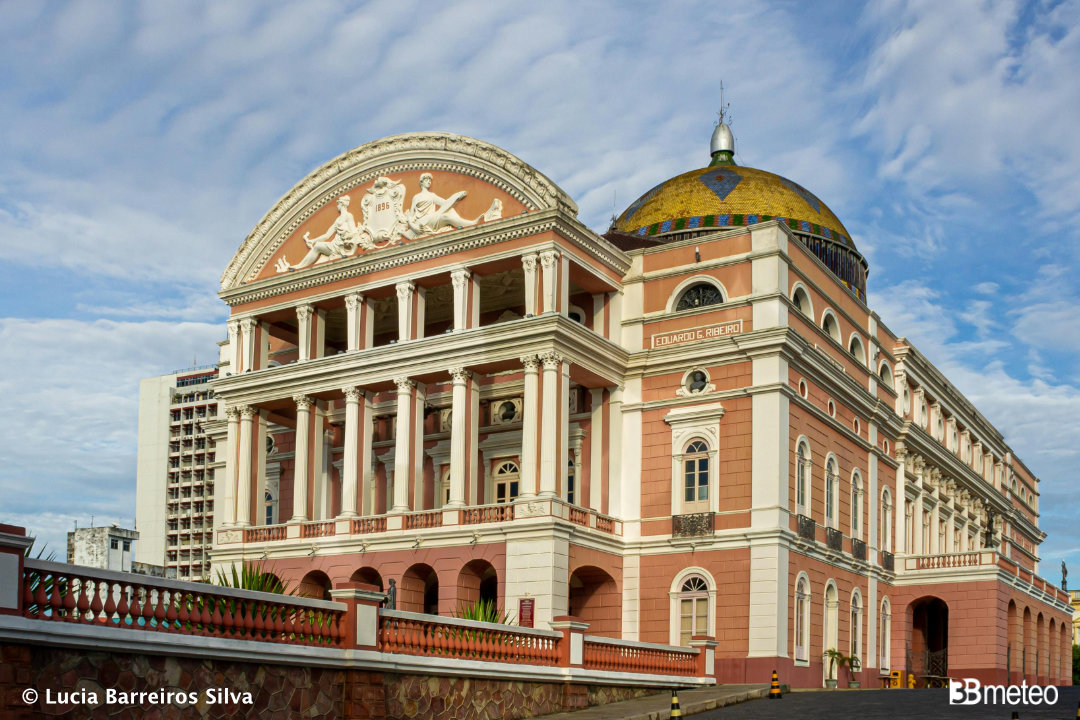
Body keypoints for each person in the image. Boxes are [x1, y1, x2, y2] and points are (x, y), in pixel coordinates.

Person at [279, 195, 361, 270]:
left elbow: (353, 231)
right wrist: (313, 241)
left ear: (342, 204)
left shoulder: (348, 216)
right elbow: (327, 235)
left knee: (317, 247)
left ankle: (300, 266)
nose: (337, 206)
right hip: (335, 245)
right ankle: (300, 266)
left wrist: (346, 238)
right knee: (317, 246)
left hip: (342, 246)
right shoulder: (338, 220)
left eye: (338, 204)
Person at [404, 173, 484, 237]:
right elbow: (410, 216)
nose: (429, 182)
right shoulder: (416, 197)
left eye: (430, 180)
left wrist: (456, 197)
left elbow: (445, 204)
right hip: (421, 222)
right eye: (427, 180)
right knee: (445, 216)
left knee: (448, 212)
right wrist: (414, 228)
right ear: (421, 182)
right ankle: (471, 223)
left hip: (432, 219)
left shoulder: (432, 195)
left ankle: (468, 223)